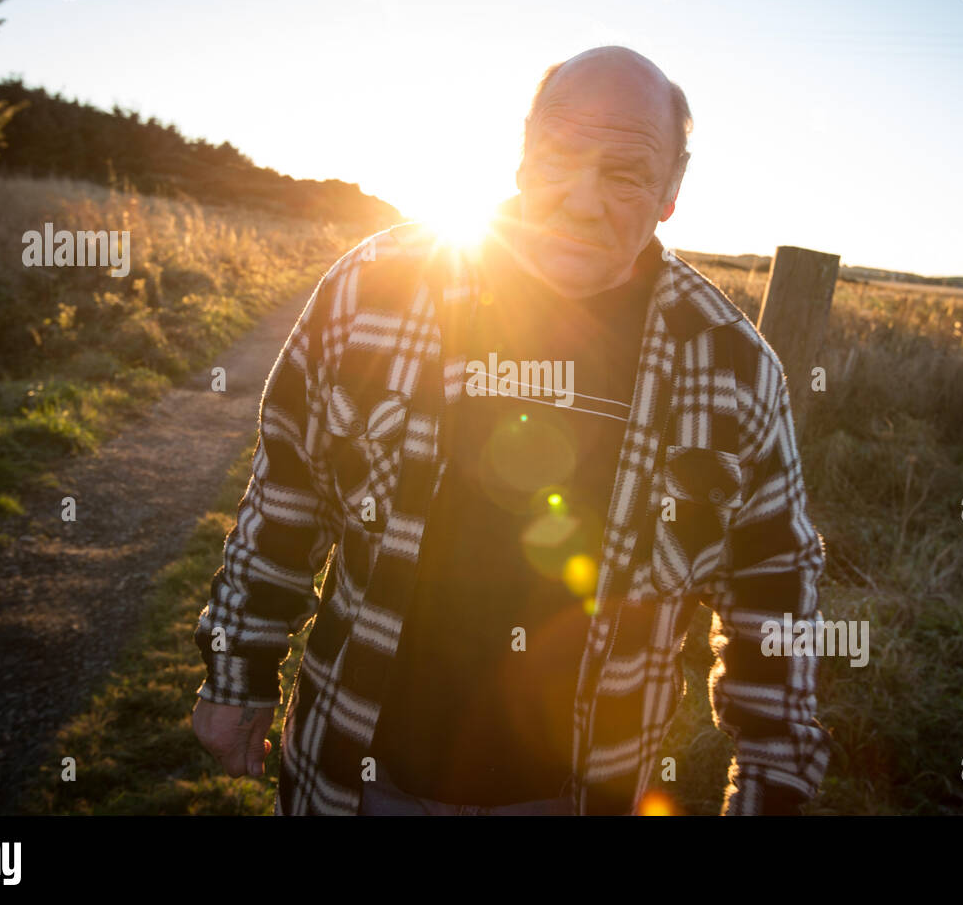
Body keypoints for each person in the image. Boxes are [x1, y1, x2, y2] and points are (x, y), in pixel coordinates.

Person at [191, 45, 830, 816]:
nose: (582, 200)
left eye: (625, 173)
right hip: (353, 776)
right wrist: (237, 675)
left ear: (671, 190)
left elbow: (777, 591)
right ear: (524, 159)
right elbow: (285, 500)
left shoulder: (732, 364)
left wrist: (775, 778)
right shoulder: (375, 290)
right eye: (560, 159)